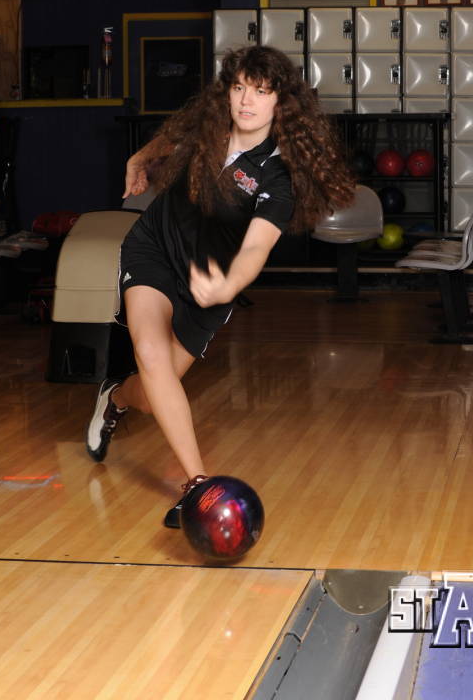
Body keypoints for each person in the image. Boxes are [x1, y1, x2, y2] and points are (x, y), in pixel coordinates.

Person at [85, 45, 355, 528]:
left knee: (151, 394)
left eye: (261, 91)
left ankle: (116, 398)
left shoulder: (279, 175)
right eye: (238, 88)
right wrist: (139, 157)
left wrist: (227, 284)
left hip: (209, 283)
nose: (246, 101)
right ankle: (196, 485)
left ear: (282, 103)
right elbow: (168, 141)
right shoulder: (208, 126)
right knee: (149, 352)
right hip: (154, 249)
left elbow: (255, 249)